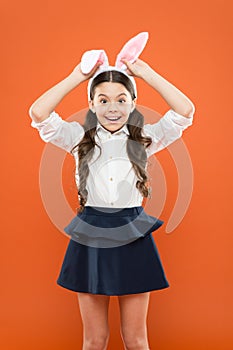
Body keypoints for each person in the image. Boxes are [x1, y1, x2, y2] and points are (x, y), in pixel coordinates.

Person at [29, 34, 195, 350]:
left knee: (135, 338)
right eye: (103, 100)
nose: (113, 107)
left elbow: (185, 111)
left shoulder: (146, 138)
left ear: (133, 102)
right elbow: (39, 114)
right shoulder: (78, 138)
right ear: (91, 104)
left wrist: (144, 72)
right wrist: (78, 76)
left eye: (121, 99)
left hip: (133, 233)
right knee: (95, 340)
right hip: (91, 232)